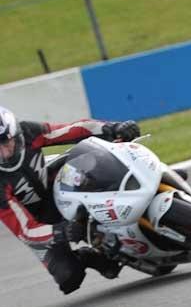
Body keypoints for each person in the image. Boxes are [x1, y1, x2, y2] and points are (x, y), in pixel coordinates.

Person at [0, 106, 140, 294]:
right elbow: (26, 230)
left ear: (15, 133)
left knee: (94, 155)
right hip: (39, 224)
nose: (4, 152)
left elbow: (74, 129)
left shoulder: (29, 131)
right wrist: (61, 231)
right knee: (69, 278)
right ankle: (92, 256)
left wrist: (112, 128)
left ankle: (147, 181)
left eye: (5, 142)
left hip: (53, 187)